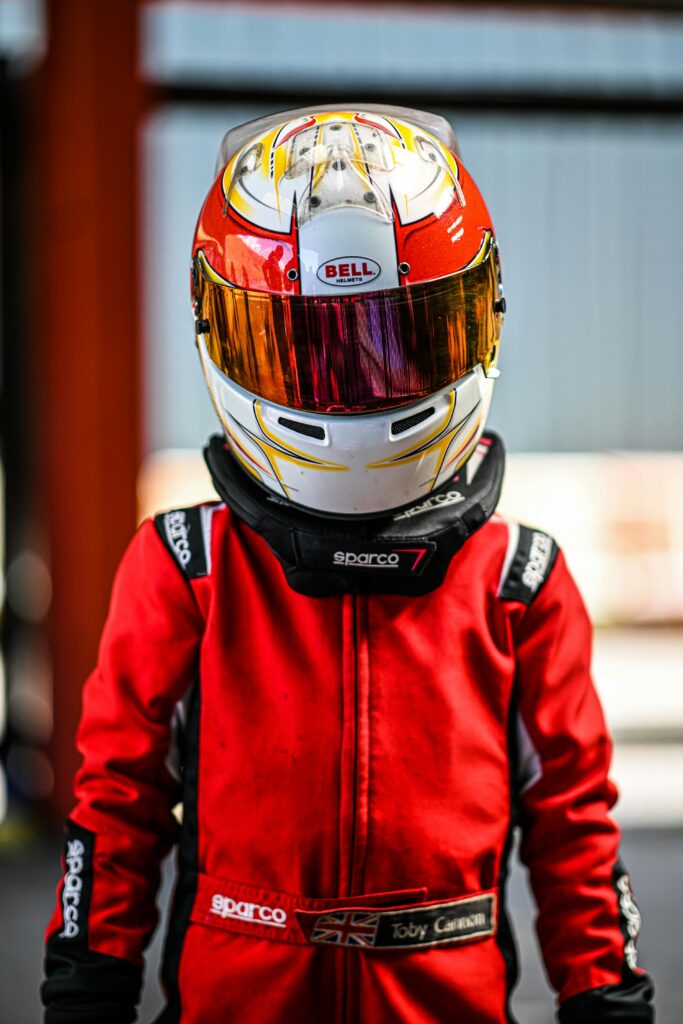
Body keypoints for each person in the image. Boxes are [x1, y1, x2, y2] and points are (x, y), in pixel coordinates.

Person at [42, 106, 655, 1023]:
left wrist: (606, 999)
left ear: (477, 320)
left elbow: (572, 829)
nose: (359, 383)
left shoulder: (516, 580)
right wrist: (86, 993)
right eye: (310, 351)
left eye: (398, 339)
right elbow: (117, 809)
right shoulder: (187, 567)